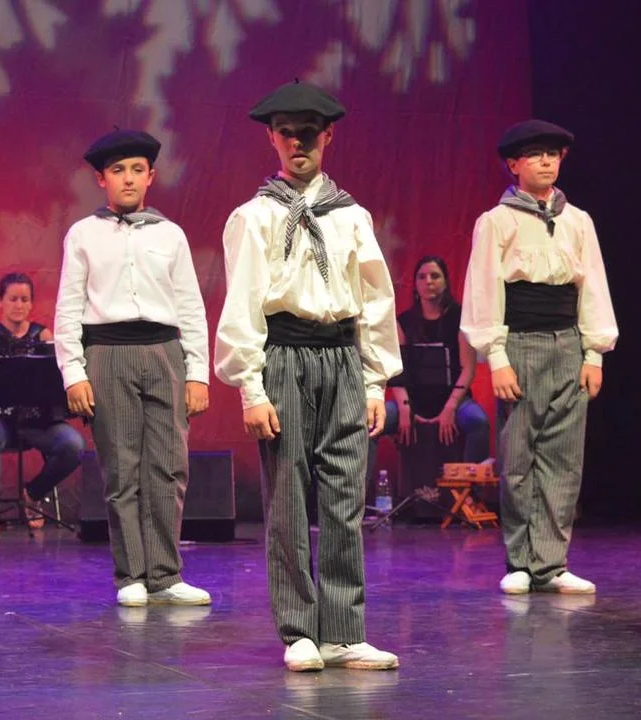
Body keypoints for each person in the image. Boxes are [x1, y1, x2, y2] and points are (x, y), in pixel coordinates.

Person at [214, 80, 402, 672]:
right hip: (285, 357)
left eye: (309, 134)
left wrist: (375, 381)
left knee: (345, 494)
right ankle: (299, 629)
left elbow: (376, 300)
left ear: (328, 137)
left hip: (341, 356)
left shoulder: (351, 216)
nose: (298, 143)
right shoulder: (255, 216)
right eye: (287, 133)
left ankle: (343, 631)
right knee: (289, 495)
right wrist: (251, 388)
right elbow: (244, 302)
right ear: (272, 139)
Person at [54, 129, 212, 608]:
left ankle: (165, 574)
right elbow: (68, 308)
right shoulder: (84, 234)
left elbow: (191, 306)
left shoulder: (170, 234)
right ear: (101, 179)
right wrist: (74, 373)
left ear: (151, 177)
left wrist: (198, 372)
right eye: (118, 170)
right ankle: (131, 576)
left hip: (163, 351)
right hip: (109, 352)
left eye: (137, 170)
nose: (128, 179)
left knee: (168, 466)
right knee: (122, 468)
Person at [461, 119, 618, 596]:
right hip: (521, 342)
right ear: (514, 164)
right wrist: (496, 356)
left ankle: (551, 562)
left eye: (553, 154)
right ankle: (520, 560)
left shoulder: (578, 220)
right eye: (535, 154)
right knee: (518, 456)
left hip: (567, 341)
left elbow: (592, 285)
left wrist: (594, 353)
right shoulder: (496, 221)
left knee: (563, 458)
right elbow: (484, 289)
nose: (546, 161)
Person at [0, 272, 85, 534]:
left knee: (73, 445)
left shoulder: (42, 335)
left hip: (37, 421)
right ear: (0, 301)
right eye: (13, 299)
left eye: (25, 299)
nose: (19, 305)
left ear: (32, 303)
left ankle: (33, 494)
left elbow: (60, 373)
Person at [368, 255, 490, 489]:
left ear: (445, 281)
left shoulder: (460, 318)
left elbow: (468, 369)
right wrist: (405, 408)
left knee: (478, 422)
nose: (429, 282)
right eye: (422, 277)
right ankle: (359, 497)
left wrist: (450, 408)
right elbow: (397, 372)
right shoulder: (404, 322)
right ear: (415, 284)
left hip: (454, 401)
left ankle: (469, 496)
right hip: (413, 402)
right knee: (372, 424)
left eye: (435, 276)